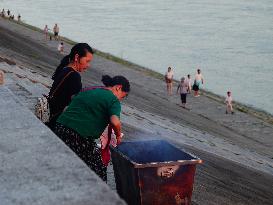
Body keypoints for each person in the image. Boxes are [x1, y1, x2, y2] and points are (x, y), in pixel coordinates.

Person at [54, 75, 130, 182]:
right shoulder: (113, 100)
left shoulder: (89, 90)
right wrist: (118, 136)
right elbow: (115, 122)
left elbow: (69, 105)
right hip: (78, 136)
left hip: (59, 127)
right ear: (118, 87)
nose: (120, 99)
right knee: (99, 171)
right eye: (123, 96)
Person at [47, 43, 94, 130]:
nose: (88, 65)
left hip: (51, 115)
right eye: (87, 61)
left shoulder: (64, 69)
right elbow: (75, 106)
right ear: (76, 57)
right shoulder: (74, 76)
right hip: (56, 122)